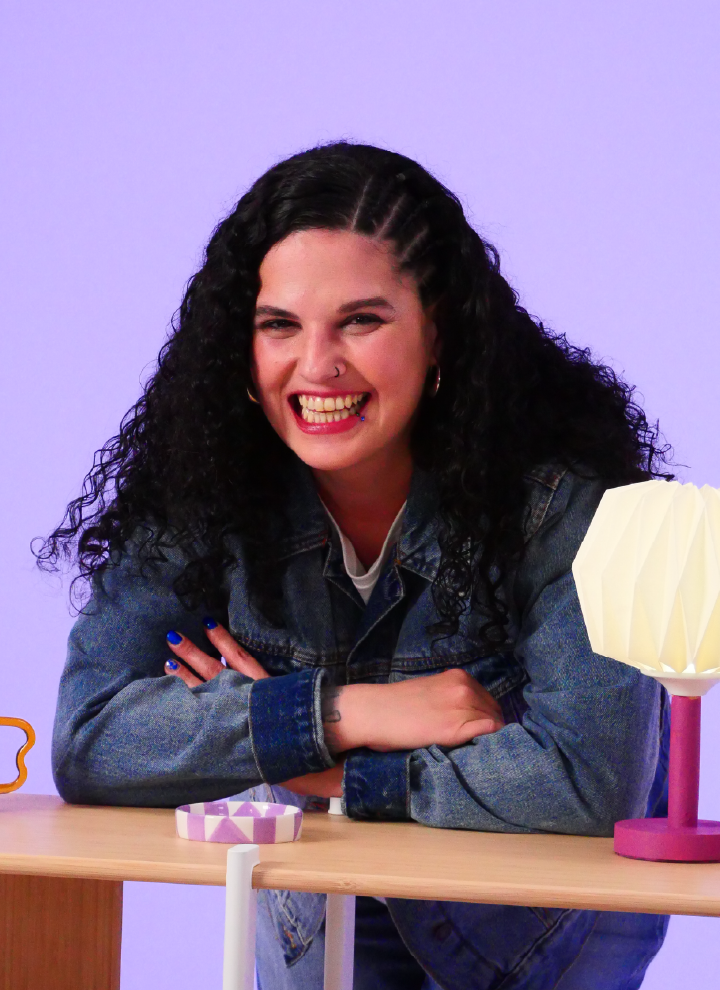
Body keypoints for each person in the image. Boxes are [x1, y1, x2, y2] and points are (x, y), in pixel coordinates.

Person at [38, 142, 672, 989]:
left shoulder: (557, 511)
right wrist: (352, 710)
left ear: (438, 329)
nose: (317, 366)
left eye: (362, 320)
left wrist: (304, 763)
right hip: (316, 905)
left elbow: (586, 785)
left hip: (535, 932)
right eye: (280, 326)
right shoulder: (206, 500)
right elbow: (91, 742)